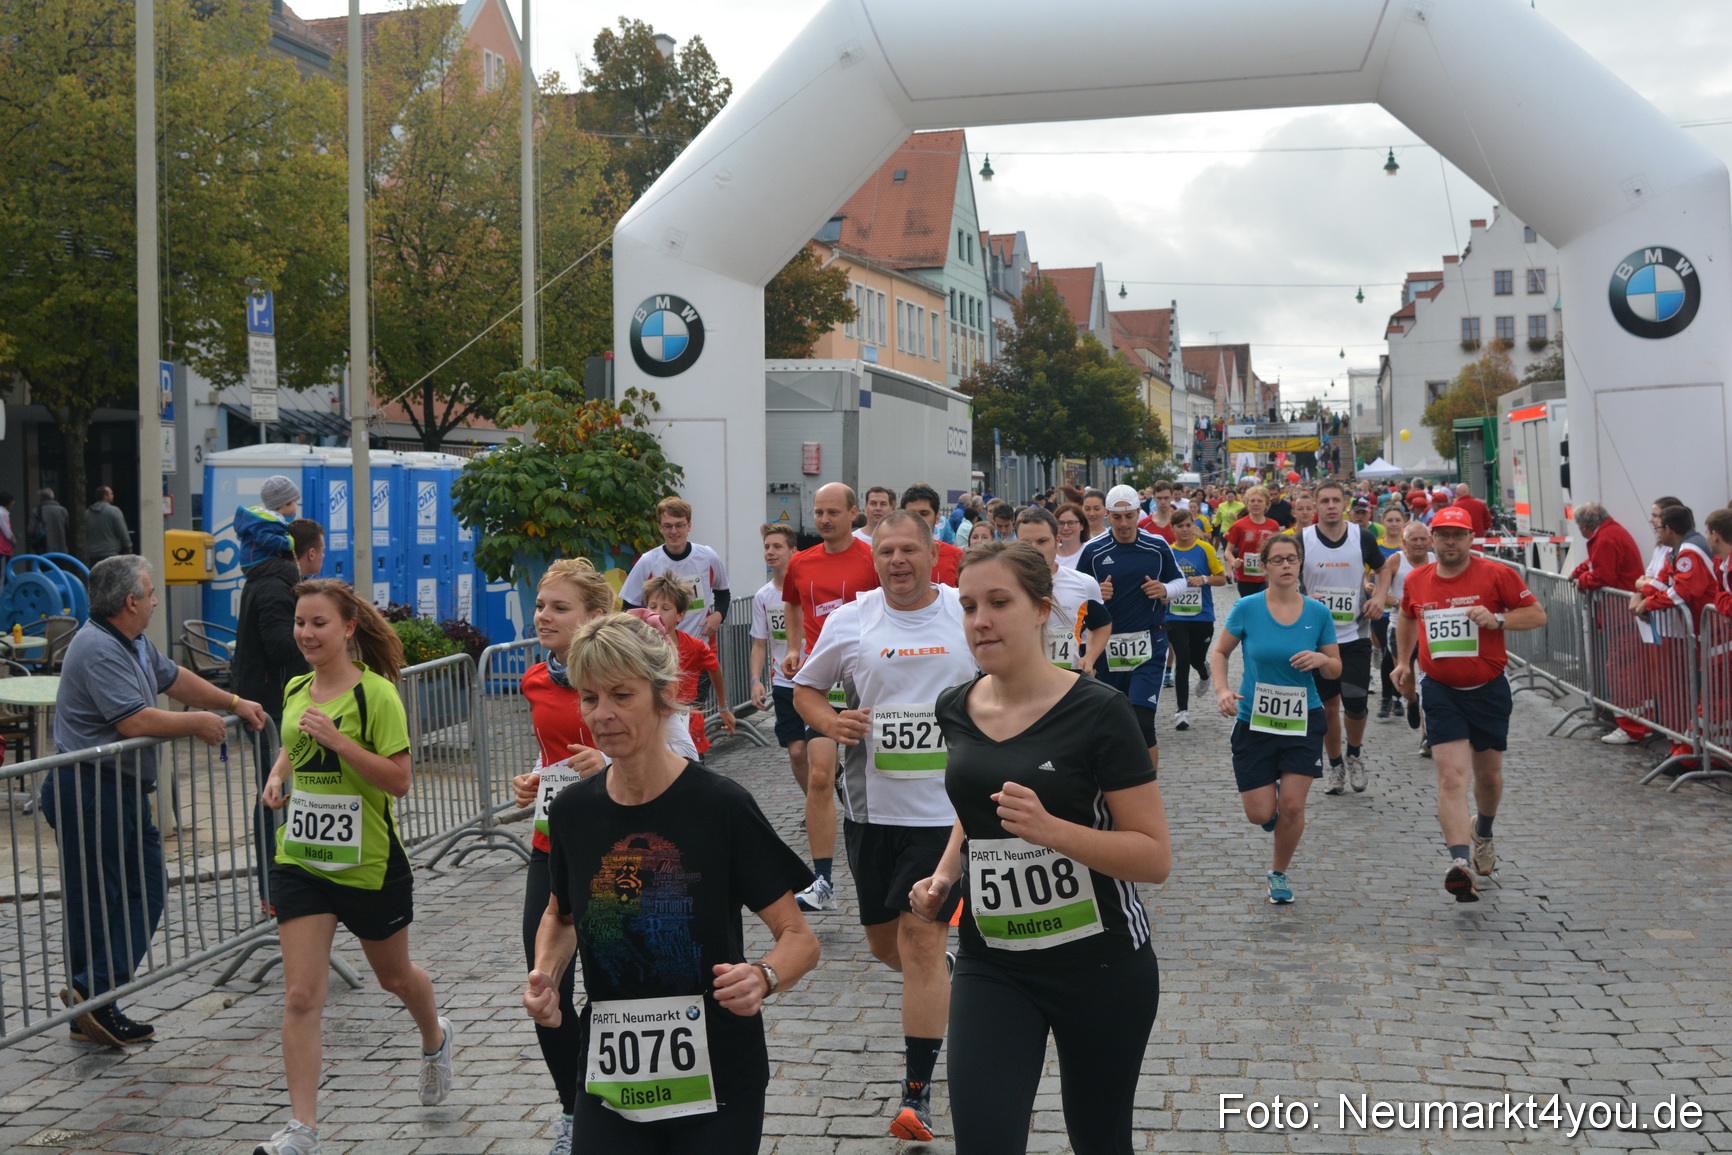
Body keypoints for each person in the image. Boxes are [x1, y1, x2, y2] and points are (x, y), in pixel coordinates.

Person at [523, 613, 818, 1153]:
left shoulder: (720, 806)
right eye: (590, 699)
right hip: (612, 1077)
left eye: (621, 695)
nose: (603, 714)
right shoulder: (572, 812)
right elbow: (561, 917)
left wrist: (764, 977)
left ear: (663, 697)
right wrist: (546, 972)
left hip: (718, 1076)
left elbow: (799, 938)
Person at [912, 541, 1171, 1155]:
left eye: (999, 602)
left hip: (1101, 964)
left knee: (1099, 1140)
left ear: (1041, 610)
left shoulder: (1100, 711)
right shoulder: (957, 706)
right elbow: (976, 812)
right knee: (984, 1138)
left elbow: (1154, 856)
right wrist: (945, 878)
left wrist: (1053, 830)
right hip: (993, 959)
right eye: (970, 605)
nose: (981, 619)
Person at [791, 511, 975, 1142]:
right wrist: (831, 722)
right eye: (887, 551)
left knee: (921, 941)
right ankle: (949, 979)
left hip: (948, 815)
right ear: (876, 559)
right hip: (872, 812)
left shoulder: (964, 611)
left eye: (909, 551)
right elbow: (806, 689)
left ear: (933, 555)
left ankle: (915, 1096)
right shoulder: (853, 620)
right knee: (883, 945)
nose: (897, 561)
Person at [256, 579, 454, 1153]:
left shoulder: (376, 696)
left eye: (318, 623)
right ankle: (302, 1129)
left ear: (347, 629)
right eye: (299, 622)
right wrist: (277, 776)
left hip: (369, 863)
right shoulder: (297, 687)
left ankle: (435, 1037)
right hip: (303, 860)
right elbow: (294, 742)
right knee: (300, 996)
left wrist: (341, 744)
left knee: (395, 978)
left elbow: (399, 781)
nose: (305, 633)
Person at [42, 556, 268, 1048]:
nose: (154, 601)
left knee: (142, 889)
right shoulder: (98, 647)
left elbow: (174, 678)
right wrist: (197, 723)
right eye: (149, 594)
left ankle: (93, 998)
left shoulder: (134, 641)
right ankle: (94, 1001)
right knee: (99, 903)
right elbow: (135, 721)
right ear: (130, 602)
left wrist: (230, 703)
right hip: (87, 788)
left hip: (117, 789)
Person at [501, 560, 616, 1153]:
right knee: (544, 985)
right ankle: (575, 1110)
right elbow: (553, 760)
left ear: (595, 616)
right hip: (553, 846)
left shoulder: (628, 675)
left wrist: (612, 765)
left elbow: (678, 751)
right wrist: (531, 783)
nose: (543, 615)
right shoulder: (535, 679)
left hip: (619, 847)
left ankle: (625, 1101)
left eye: (558, 607)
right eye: (541, 605)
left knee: (618, 985)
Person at [1392, 507, 1545, 902]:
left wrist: (1496, 619)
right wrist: (1402, 661)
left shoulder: (1497, 575)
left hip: (1488, 687)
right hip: (1440, 688)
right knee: (1451, 777)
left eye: (1458, 535)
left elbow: (1536, 615)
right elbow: (1407, 616)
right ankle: (1459, 864)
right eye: (1443, 535)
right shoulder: (1418, 580)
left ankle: (1484, 831)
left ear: (1471, 538)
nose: (1449, 542)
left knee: (1489, 778)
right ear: (1433, 539)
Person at [1208, 534, 1339, 904]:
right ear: (1264, 566)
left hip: (1303, 718)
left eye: (1292, 559)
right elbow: (1219, 652)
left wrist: (1322, 661)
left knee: (1293, 806)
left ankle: (1278, 873)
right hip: (1255, 720)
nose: (1285, 565)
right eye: (1278, 559)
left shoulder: (1318, 612)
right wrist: (1222, 690)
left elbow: (1335, 669)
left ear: (1300, 565)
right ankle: (1273, 810)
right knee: (1260, 813)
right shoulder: (1248, 608)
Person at [779, 482, 879, 912]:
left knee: (877, 772)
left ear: (853, 514)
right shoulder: (800, 562)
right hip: (822, 684)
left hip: (867, 680)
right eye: (819, 512)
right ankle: (821, 880)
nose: (823, 520)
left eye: (833, 512)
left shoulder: (872, 557)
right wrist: (794, 648)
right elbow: (793, 606)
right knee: (819, 775)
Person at [233, 518, 326, 909]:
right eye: (321, 549)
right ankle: (275, 890)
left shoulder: (272, 582)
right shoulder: (275, 587)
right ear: (308, 553)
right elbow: (276, 645)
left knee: (284, 793)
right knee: (275, 795)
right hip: (270, 711)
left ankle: (289, 882)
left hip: (278, 706)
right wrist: (318, 637)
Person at [1077, 485, 1188, 775]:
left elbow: (1180, 582)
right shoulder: (1093, 551)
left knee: (1141, 721)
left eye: (1129, 516)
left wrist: (1164, 588)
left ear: (1139, 513)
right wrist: (1095, 593)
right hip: (1107, 648)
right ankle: (1115, 783)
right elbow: (1077, 594)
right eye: (1117, 517)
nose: (1124, 524)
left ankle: (1147, 784)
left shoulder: (1157, 546)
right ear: (1108, 516)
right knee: (1113, 724)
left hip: (1149, 643)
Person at [1300, 481, 1399, 795]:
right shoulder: (1301, 540)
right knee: (1328, 706)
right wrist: (1303, 597)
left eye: (1335, 500)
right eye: (1324, 500)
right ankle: (1335, 766)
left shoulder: (1362, 536)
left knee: (1355, 704)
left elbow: (1383, 570)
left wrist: (1380, 597)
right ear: (1315, 505)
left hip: (1354, 635)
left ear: (1344, 503)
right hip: (1316, 639)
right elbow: (1282, 578)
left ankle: (1354, 753)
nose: (1330, 505)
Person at [641, 574, 737, 757]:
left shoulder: (694, 646)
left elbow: (714, 668)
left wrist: (723, 707)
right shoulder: (638, 645)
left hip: (687, 723)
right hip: (650, 722)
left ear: (680, 615)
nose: (657, 613)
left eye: (665, 608)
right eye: (652, 607)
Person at [1014, 506, 1111, 676]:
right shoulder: (1005, 585)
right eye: (1026, 543)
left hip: (1068, 681)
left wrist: (1089, 658)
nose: (1035, 549)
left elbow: (1102, 624)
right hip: (1021, 680)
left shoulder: (1083, 584)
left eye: (1042, 541)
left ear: (1057, 540)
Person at [750, 523, 810, 796]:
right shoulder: (763, 596)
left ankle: (828, 796)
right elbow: (760, 643)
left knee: (824, 751)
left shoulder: (810, 587)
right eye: (766, 547)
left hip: (818, 681)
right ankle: (814, 802)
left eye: (777, 547)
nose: (770, 552)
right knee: (797, 752)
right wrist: (755, 681)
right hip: (785, 683)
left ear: (793, 551)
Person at [620, 496, 731, 643]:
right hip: (662, 650)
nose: (674, 531)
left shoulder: (708, 557)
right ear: (660, 527)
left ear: (689, 526)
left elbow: (723, 592)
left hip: (701, 645)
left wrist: (718, 615)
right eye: (668, 526)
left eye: (679, 525)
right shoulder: (648, 561)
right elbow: (628, 607)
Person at [1164, 510, 1227, 730]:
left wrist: (1205, 579)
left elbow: (1222, 579)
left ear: (1193, 526)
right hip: (1175, 615)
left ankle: (1204, 670)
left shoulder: (1205, 549)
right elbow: (1162, 583)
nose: (1184, 530)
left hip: (1202, 616)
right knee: (1182, 659)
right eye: (1179, 526)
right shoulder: (1168, 552)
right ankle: (1182, 711)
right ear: (1172, 528)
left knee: (1196, 659)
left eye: (1188, 525)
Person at [1376, 521, 1432, 730]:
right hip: (1399, 627)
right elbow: (1379, 594)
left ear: (1430, 541)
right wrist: (1404, 605)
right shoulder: (1395, 561)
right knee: (1404, 682)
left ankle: (1429, 734)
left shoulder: (1436, 561)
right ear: (1404, 542)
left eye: (1422, 539)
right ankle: (1411, 700)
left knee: (1430, 681)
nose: (1418, 543)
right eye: (1413, 539)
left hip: (1429, 628)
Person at [900, 483, 966, 586]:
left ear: (937, 517)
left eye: (924, 514)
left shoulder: (955, 556)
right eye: (912, 514)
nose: (918, 520)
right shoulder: (890, 556)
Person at [1223, 486, 1282, 597]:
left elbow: (1279, 550)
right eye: (1252, 501)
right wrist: (1233, 562)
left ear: (1266, 504)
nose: (1256, 504)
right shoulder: (1239, 525)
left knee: (1266, 607)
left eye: (1260, 501)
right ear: (1247, 503)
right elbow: (1228, 551)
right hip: (1245, 576)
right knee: (1249, 608)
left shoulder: (1273, 525)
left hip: (1267, 576)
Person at [234, 475, 302, 569]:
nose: (296, 505)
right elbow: (266, 539)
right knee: (290, 570)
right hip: (257, 562)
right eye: (295, 501)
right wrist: (288, 542)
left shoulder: (270, 520)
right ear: (286, 503)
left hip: (256, 561)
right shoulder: (266, 522)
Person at [83, 486, 132, 564]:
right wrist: (128, 546)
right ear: (105, 496)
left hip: (92, 554)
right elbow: (122, 530)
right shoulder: (114, 511)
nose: (113, 496)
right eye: (111, 494)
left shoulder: (87, 513)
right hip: (110, 552)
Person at [29, 487, 71, 555]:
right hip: (61, 549)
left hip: (43, 549)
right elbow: (68, 529)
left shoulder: (36, 511)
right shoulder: (63, 511)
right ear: (53, 497)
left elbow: (30, 530)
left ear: (41, 498)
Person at [1054, 502, 1088, 569]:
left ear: (1082, 526)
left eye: (1071, 523)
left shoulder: (1090, 552)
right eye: (1061, 523)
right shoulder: (1050, 555)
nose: (1065, 528)